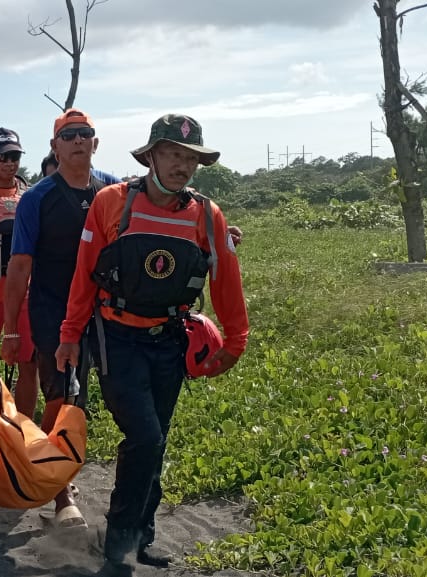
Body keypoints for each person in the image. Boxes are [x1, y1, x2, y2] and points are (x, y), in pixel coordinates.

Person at [56, 114, 249, 573]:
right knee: (144, 435)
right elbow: (84, 275)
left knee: (154, 443)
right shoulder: (110, 203)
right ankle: (118, 546)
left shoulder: (206, 214)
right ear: (151, 156)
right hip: (117, 336)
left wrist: (235, 341)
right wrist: (68, 335)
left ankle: (139, 537)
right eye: (174, 155)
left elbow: (226, 278)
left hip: (169, 339)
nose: (183, 166)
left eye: (191, 159)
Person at [2, 108, 122, 529]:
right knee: (61, 396)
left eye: (83, 133)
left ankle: (63, 467)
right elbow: (19, 266)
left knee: (92, 399)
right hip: (52, 308)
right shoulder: (37, 198)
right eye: (67, 135)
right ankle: (60, 492)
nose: (76, 140)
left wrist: (217, 230)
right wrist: (12, 328)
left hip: (104, 312)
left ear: (95, 142)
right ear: (55, 146)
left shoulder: (114, 190)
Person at [0, 128, 41, 421]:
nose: (9, 162)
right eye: (3, 156)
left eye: (15, 156)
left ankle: (25, 429)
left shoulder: (31, 196)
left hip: (24, 295)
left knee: (30, 362)